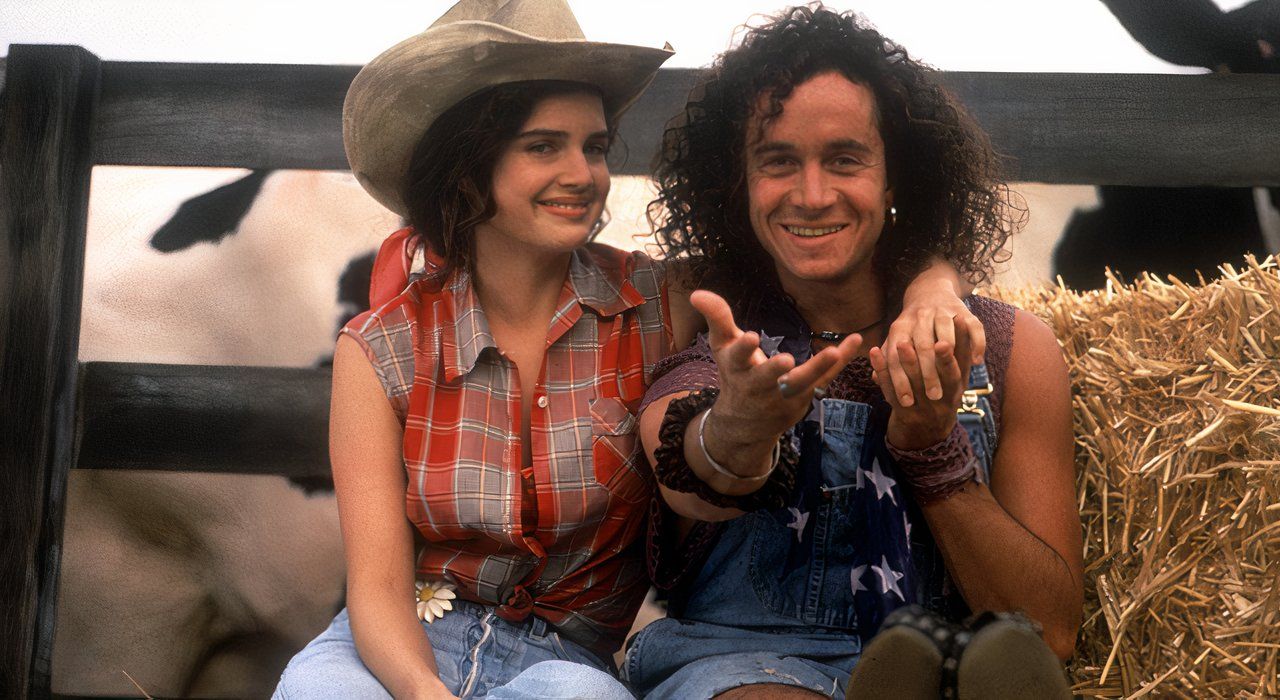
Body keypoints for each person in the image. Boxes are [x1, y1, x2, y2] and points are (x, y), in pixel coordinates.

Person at [274, 1, 979, 697]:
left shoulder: (660, 300)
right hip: (399, 646)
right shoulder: (381, 348)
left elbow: (820, 246)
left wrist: (934, 290)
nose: (583, 174)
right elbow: (376, 589)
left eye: (596, 146)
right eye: (544, 146)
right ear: (466, 165)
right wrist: (425, 693)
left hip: (568, 664)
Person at [623, 5, 1083, 699]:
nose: (812, 196)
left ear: (897, 180)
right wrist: (739, 430)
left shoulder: (1014, 348)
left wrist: (934, 451)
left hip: (948, 662)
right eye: (778, 162)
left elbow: (1050, 630)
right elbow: (685, 461)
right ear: (739, 185)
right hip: (744, 665)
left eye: (844, 159)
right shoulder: (696, 319)